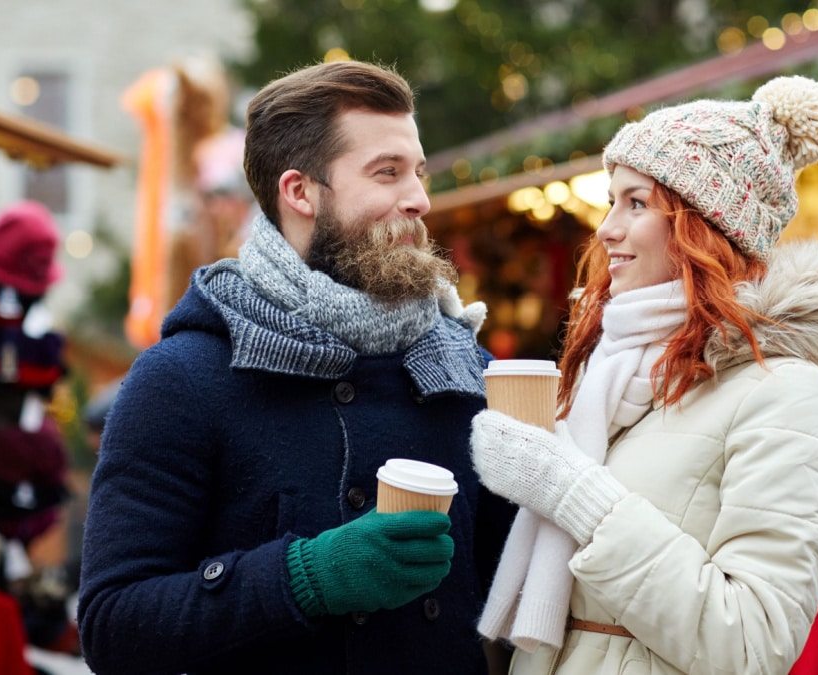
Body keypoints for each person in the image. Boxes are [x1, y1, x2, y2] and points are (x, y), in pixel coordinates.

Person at [77, 60, 513, 675]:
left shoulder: (464, 366)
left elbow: (517, 598)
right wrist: (309, 577)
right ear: (300, 191)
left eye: (418, 172)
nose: (418, 199)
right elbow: (114, 626)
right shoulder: (183, 377)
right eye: (386, 174)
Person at [469, 75, 818, 674]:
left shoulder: (793, 392)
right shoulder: (614, 370)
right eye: (611, 201)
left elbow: (751, 645)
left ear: (708, 226)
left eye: (636, 203)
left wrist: (574, 494)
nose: (607, 228)